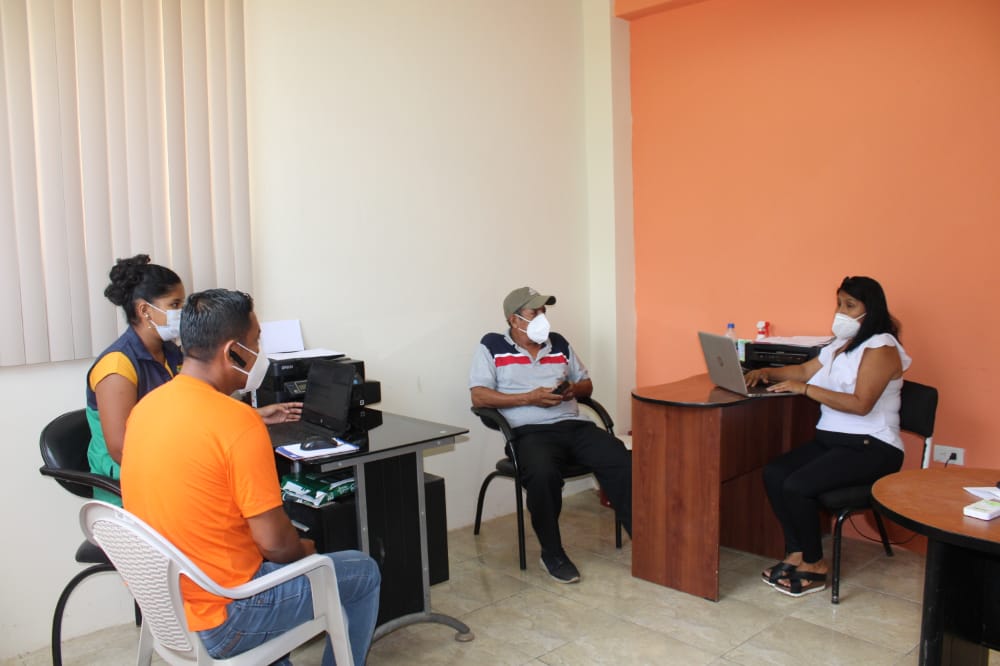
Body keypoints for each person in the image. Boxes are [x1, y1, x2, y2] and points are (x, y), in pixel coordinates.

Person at [121, 289, 380, 665]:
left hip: (167, 607)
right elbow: (275, 545)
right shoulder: (237, 422)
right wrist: (305, 552)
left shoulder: (146, 408)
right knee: (361, 571)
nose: (260, 352)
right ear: (233, 352)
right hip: (227, 616)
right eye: (256, 342)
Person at [86, 254, 301, 504]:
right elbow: (123, 450)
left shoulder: (172, 352)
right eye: (174, 304)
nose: (182, 312)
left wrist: (253, 416)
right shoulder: (116, 366)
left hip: (171, 465)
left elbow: (196, 409)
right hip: (130, 486)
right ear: (145, 311)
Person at [749, 276, 911, 597]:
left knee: (798, 486)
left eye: (850, 305)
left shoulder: (881, 347)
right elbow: (804, 370)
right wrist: (766, 372)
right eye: (839, 304)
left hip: (873, 447)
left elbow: (861, 404)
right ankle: (796, 553)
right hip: (833, 442)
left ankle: (815, 565)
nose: (841, 312)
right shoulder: (840, 345)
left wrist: (806, 390)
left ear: (871, 309)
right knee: (775, 473)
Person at [469, 286, 632, 584]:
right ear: (514, 319)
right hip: (529, 433)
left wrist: (572, 390)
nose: (542, 317)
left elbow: (586, 384)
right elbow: (479, 396)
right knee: (542, 473)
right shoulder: (492, 346)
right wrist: (528, 398)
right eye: (534, 312)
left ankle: (645, 538)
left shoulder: (558, 343)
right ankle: (552, 554)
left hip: (573, 425)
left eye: (544, 311)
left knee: (620, 458)